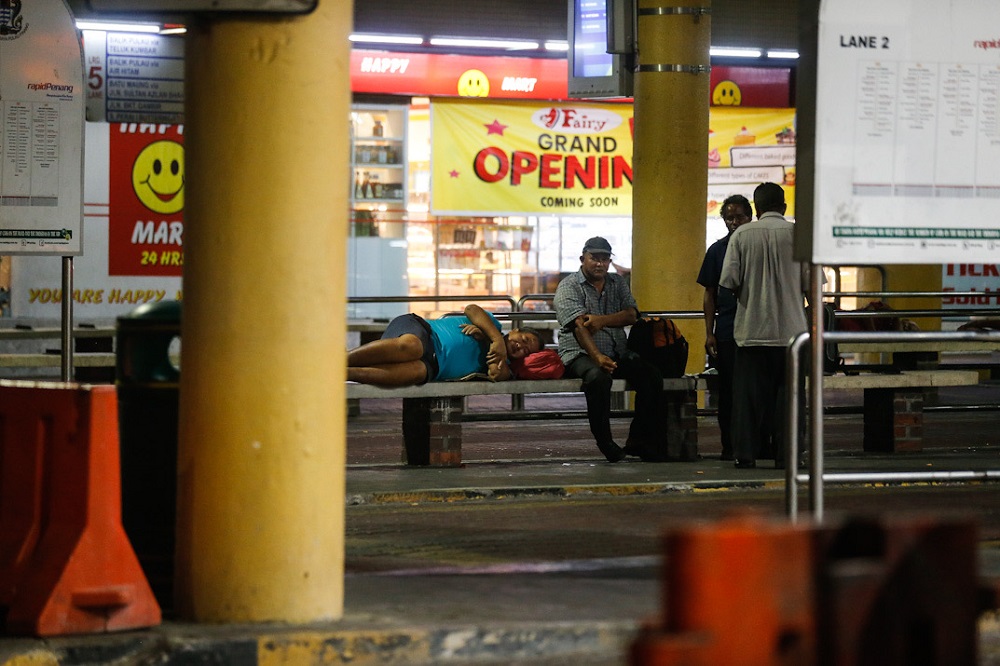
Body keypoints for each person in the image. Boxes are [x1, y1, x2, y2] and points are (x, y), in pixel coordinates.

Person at [720, 182, 808, 469]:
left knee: (747, 401)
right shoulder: (799, 235)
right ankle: (788, 455)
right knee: (790, 399)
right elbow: (813, 288)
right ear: (783, 207)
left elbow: (729, 282)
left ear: (756, 209)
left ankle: (745, 454)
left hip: (751, 332)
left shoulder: (741, 236)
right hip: (792, 334)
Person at [554, 236, 665, 462]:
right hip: (580, 354)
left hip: (617, 352)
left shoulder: (617, 283)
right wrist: (597, 357)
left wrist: (601, 321)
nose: (600, 264)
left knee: (651, 376)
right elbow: (579, 326)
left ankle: (639, 440)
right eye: (595, 258)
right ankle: (605, 442)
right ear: (582, 259)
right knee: (598, 378)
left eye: (605, 259)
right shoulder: (569, 286)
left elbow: (632, 315)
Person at [348, 304, 542, 387]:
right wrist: (496, 338)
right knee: (413, 347)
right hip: (420, 331)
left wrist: (490, 345)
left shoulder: (505, 366)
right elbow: (471, 309)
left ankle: (343, 372)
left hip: (433, 367)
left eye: (526, 352)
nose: (521, 347)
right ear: (515, 331)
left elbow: (496, 374)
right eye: (523, 340)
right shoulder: (493, 325)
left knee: (416, 372)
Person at [697, 194, 752, 461]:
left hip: (754, 331)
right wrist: (709, 332)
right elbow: (709, 293)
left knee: (753, 391)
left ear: (750, 217)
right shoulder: (717, 251)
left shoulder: (757, 247)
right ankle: (729, 447)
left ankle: (755, 444)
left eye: (739, 217)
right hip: (727, 330)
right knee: (727, 394)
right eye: (729, 217)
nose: (733, 222)